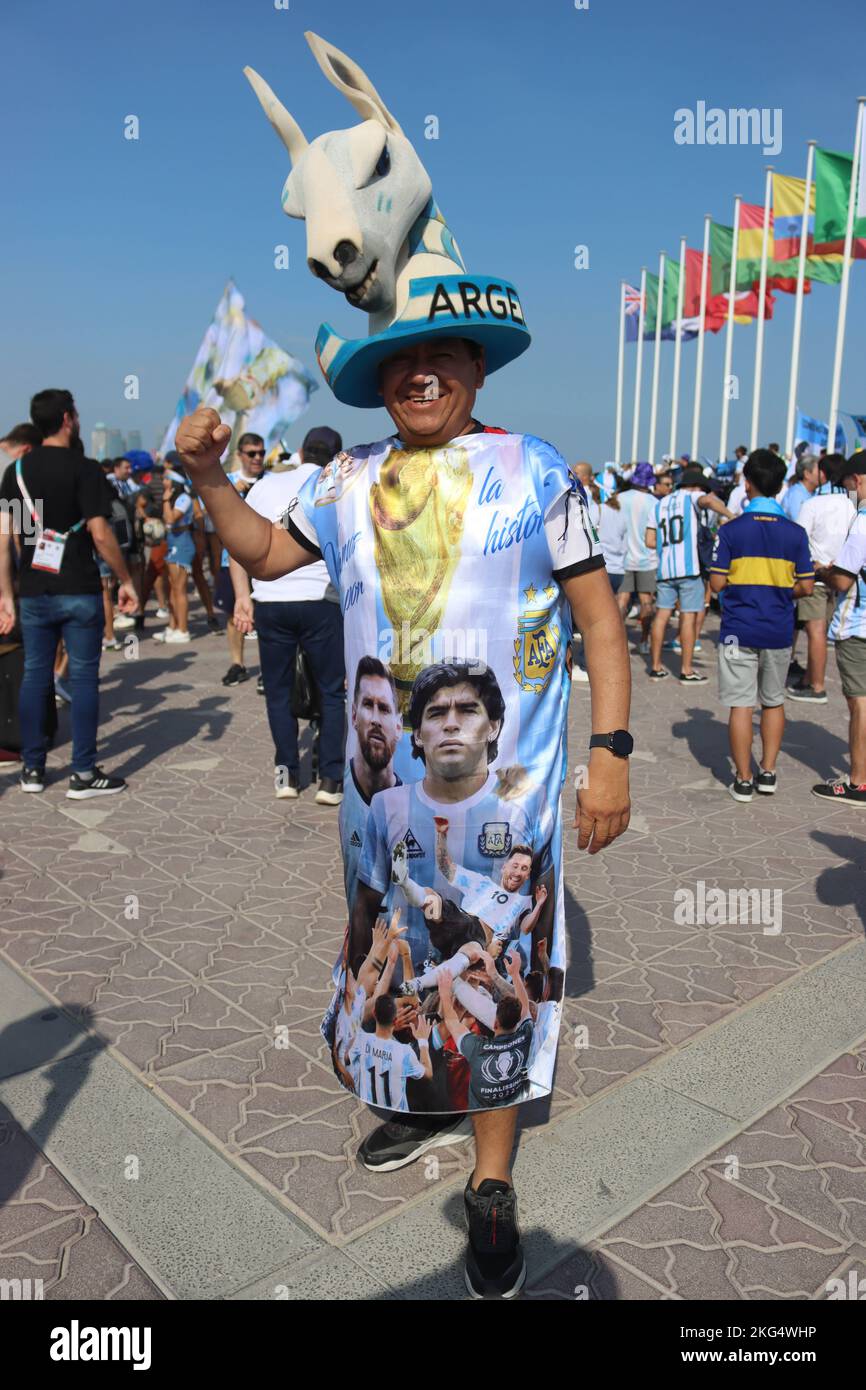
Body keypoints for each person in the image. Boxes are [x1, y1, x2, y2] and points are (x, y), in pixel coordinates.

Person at [178, 30, 631, 1299]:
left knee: (491, 980)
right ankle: (411, 1099)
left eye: (442, 356)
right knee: (384, 950)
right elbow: (267, 553)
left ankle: (490, 1179)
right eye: (400, 361)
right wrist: (211, 478)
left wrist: (609, 756)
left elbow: (601, 624)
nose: (420, 372)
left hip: (513, 800)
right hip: (380, 803)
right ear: (382, 380)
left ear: (476, 367)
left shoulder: (537, 470)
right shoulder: (350, 476)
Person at [0, 389, 136, 796]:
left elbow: (11, 536)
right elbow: (100, 531)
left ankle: (33, 770)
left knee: (35, 677)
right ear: (66, 418)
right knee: (82, 679)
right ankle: (82, 772)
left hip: (34, 590)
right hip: (78, 587)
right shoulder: (84, 468)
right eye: (74, 413)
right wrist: (125, 578)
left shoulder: (17, 472)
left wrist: (6, 593)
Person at [228, 425, 347, 803]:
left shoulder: (264, 486)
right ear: (335, 456)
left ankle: (286, 776)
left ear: (299, 451)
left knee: (277, 692)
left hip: (271, 600)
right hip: (321, 601)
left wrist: (241, 596)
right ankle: (330, 780)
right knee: (331, 692)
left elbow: (239, 543)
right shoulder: (338, 488)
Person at [708, 450, 814, 802]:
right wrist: (781, 590)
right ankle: (768, 772)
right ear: (781, 484)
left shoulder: (732, 531)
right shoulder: (795, 534)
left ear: (746, 482)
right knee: (773, 701)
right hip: (778, 628)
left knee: (741, 703)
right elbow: (807, 586)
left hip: (739, 627)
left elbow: (718, 584)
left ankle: (743, 778)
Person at [812, 451, 866, 804]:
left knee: (860, 703)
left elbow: (844, 581)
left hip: (859, 624)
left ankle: (858, 782)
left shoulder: (862, 522)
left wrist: (821, 570)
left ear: (857, 480)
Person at [645, 465, 731, 682]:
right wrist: (732, 515)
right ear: (696, 487)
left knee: (662, 616)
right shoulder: (692, 498)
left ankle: (655, 666)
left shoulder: (659, 504)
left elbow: (649, 541)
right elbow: (709, 501)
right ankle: (686, 670)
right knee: (688, 617)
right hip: (689, 568)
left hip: (665, 569)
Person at [787, 453, 855, 705]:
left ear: (823, 475)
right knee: (822, 631)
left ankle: (816, 686)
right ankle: (808, 679)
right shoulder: (854, 504)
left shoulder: (814, 504)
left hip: (815, 575)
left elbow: (798, 540)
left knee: (814, 631)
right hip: (840, 576)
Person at [212, 433, 266, 685]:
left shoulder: (272, 482)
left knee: (267, 616)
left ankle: (268, 668)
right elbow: (214, 518)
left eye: (261, 453)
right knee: (235, 615)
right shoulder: (228, 483)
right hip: (230, 560)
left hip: (267, 559)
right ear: (240, 455)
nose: (257, 458)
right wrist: (235, 496)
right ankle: (238, 663)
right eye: (252, 453)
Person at [615, 462, 658, 652]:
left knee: (621, 600)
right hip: (647, 558)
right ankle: (644, 640)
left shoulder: (619, 499)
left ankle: (617, 639)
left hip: (622, 557)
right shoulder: (655, 503)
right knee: (646, 600)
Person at [153, 460, 195, 644]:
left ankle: (183, 629)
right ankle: (173, 626)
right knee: (173, 588)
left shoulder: (183, 498)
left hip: (182, 543)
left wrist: (164, 500)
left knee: (180, 589)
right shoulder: (173, 498)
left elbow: (170, 519)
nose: (163, 481)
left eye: (167, 478)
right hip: (173, 542)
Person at [781, 453, 819, 523]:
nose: (822, 474)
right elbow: (801, 523)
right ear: (807, 474)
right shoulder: (796, 495)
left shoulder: (813, 493)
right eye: (819, 471)